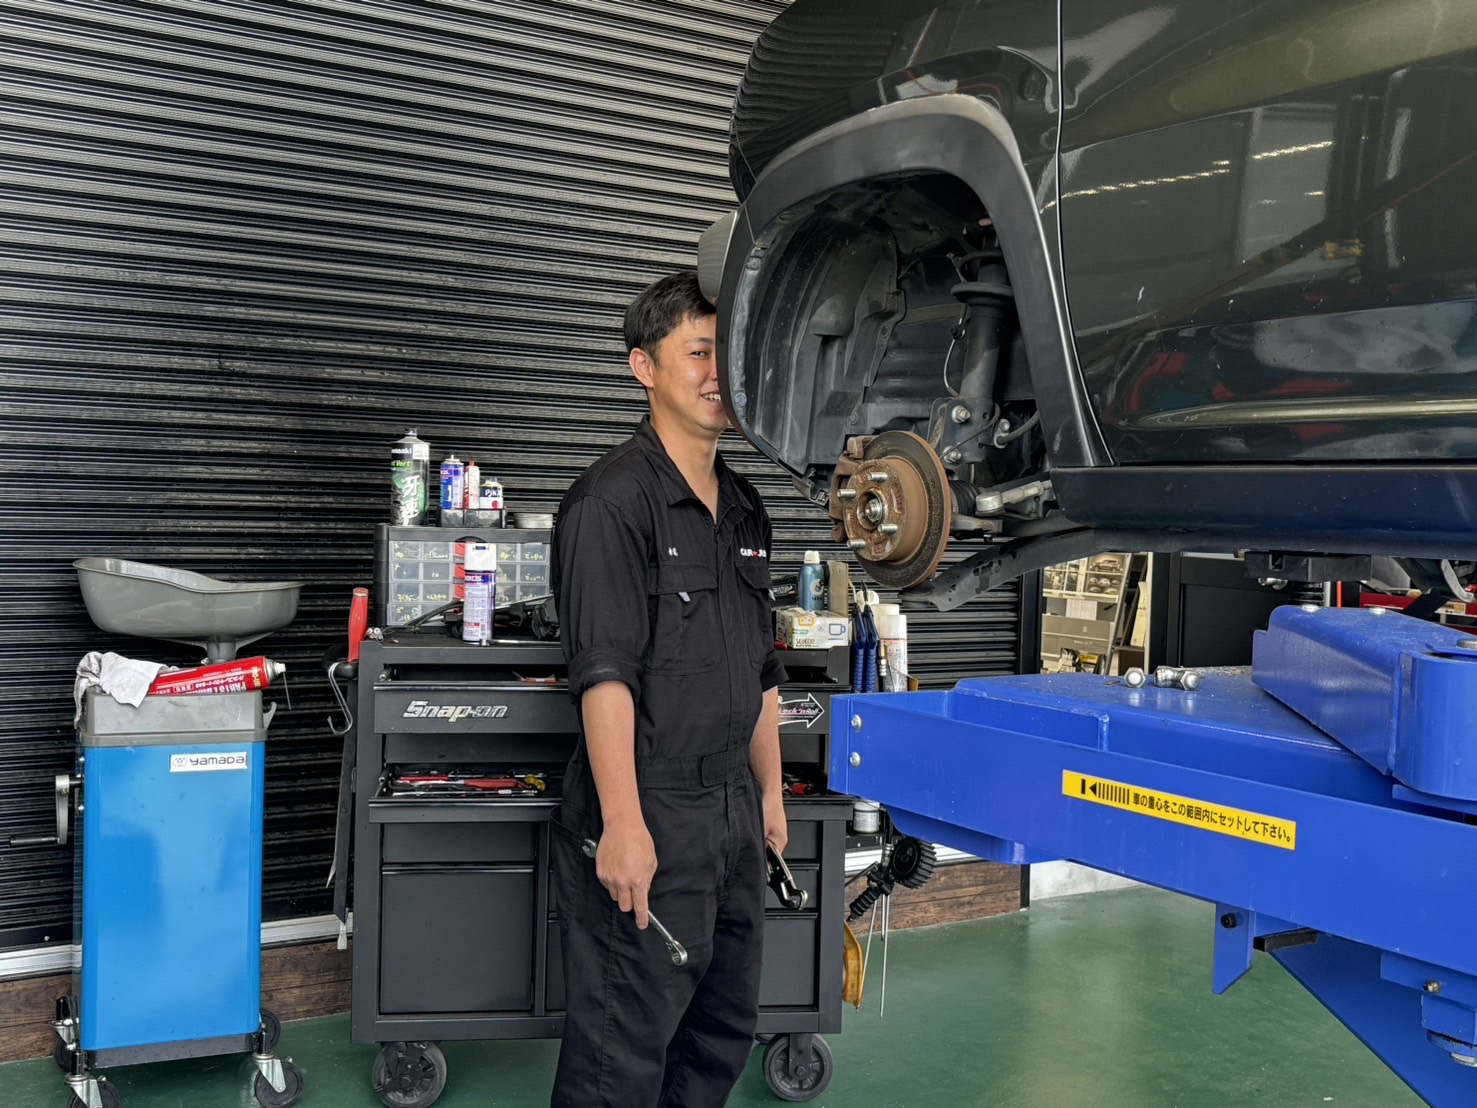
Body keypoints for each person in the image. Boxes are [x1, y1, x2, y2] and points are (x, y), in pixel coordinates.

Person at [548, 270, 788, 1108]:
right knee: (622, 1047)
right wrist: (622, 825)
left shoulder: (748, 509)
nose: (719, 371)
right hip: (648, 810)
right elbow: (603, 676)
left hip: (727, 814)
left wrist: (767, 794)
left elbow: (760, 669)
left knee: (717, 1031)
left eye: (730, 351)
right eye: (698, 351)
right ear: (643, 368)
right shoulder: (610, 504)